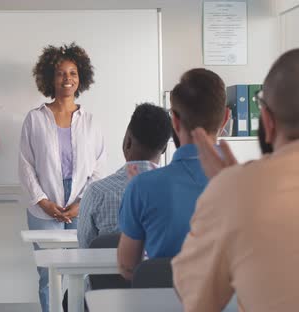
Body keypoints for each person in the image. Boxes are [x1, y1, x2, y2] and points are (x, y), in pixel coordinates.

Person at [173, 49, 299, 311]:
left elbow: (195, 299)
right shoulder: (235, 188)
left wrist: (228, 193)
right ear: (226, 117)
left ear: (267, 120)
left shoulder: (234, 190)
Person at [116, 68, 229, 281]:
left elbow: (128, 267)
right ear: (226, 118)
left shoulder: (141, 187)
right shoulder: (252, 184)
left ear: (174, 123)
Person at [18, 42, 105, 312]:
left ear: (81, 78)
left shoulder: (91, 121)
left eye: (73, 73)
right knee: (48, 274)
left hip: (82, 202)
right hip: (44, 203)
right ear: (50, 78)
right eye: (60, 73)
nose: (67, 78)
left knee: (81, 272)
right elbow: (25, 165)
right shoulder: (35, 119)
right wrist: (43, 202)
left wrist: (82, 202)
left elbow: (99, 166)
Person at [78, 103, 171, 248]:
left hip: (108, 271)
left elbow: (85, 248)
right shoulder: (179, 193)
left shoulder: (96, 193)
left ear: (128, 142)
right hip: (164, 271)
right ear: (164, 148)